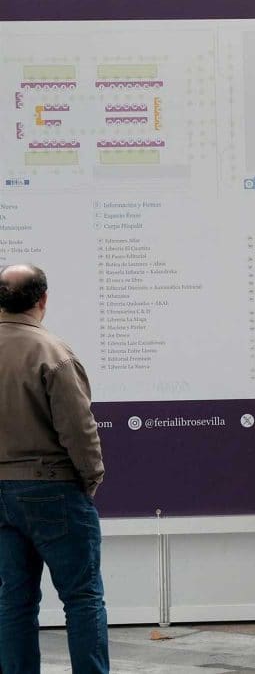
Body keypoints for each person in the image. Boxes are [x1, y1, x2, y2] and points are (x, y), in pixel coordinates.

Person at [0, 264, 109, 673]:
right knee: (82, 599)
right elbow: (79, 431)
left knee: (14, 599)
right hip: (54, 490)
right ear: (42, 300)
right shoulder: (53, 353)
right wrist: (91, 478)